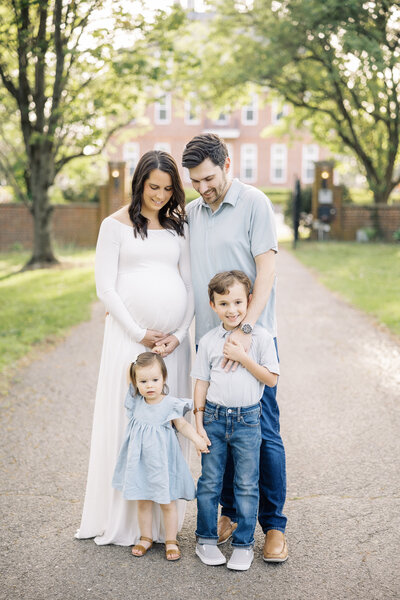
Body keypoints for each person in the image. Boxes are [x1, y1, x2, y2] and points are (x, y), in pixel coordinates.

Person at [76, 150, 194, 546]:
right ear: (139, 183)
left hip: (172, 347)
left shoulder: (179, 228)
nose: (159, 195)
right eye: (152, 187)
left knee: (166, 425)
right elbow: (105, 287)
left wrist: (177, 333)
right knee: (129, 423)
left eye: (166, 188)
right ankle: (125, 519)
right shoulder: (114, 226)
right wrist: (140, 332)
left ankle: (164, 525)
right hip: (130, 341)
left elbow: (190, 285)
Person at [182, 133, 288, 563]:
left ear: (227, 163)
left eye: (209, 178)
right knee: (219, 434)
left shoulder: (254, 203)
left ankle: (274, 527)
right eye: (195, 182)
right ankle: (227, 514)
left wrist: (245, 328)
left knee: (261, 433)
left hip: (251, 339)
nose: (203, 188)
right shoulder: (191, 212)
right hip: (208, 343)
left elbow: (267, 270)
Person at [193, 271, 279, 571]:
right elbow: (201, 382)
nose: (232, 309)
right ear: (213, 305)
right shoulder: (208, 341)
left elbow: (270, 379)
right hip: (214, 418)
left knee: (246, 484)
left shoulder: (262, 338)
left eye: (238, 301)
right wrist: (198, 423)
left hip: (248, 421)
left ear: (249, 301)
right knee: (209, 482)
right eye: (224, 303)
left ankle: (243, 545)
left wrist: (243, 358)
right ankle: (204, 539)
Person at [112, 352, 209, 560]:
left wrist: (197, 440)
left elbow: (182, 425)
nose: (150, 385)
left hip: (163, 464)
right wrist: (134, 370)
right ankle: (146, 537)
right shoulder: (136, 402)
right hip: (140, 464)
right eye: (143, 381)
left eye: (155, 380)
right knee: (143, 501)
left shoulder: (169, 404)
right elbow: (128, 375)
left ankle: (171, 540)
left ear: (164, 378)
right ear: (136, 382)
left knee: (167, 503)